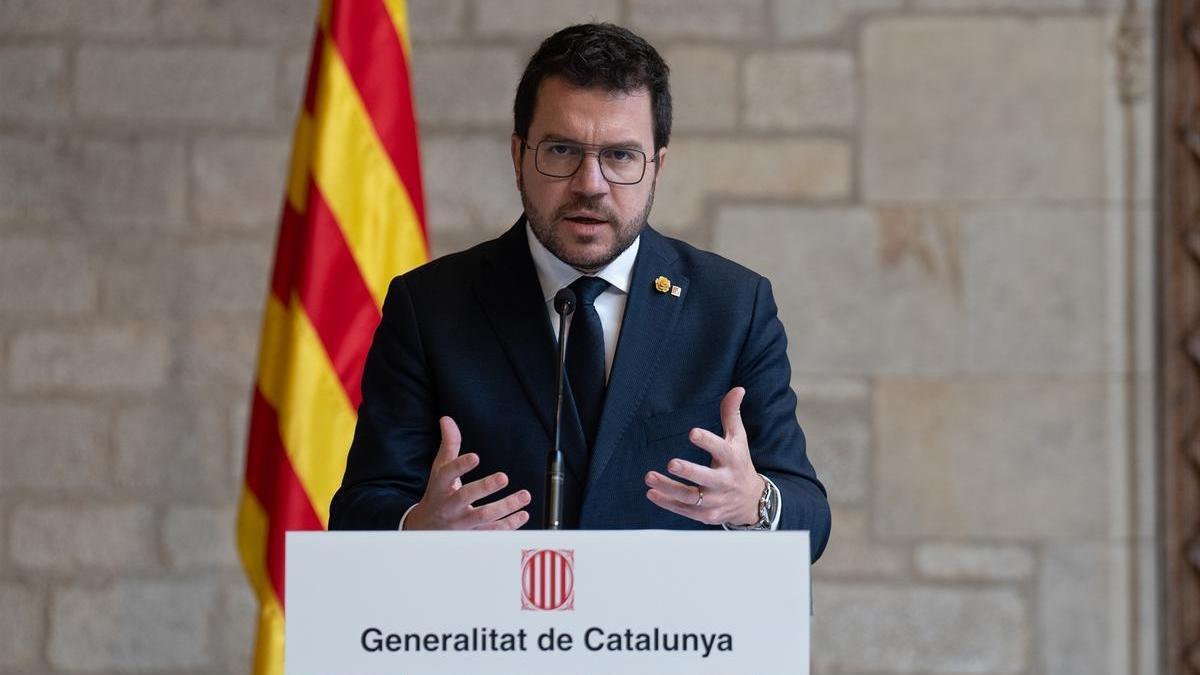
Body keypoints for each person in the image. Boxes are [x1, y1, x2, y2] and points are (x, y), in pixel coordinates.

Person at [329, 23, 830, 559]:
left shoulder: (734, 307)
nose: (590, 183)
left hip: (667, 636)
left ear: (657, 167)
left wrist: (753, 502)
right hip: (487, 634)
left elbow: (810, 517)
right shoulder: (428, 307)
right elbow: (358, 508)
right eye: (562, 150)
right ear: (519, 156)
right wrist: (416, 528)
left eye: (620, 156)